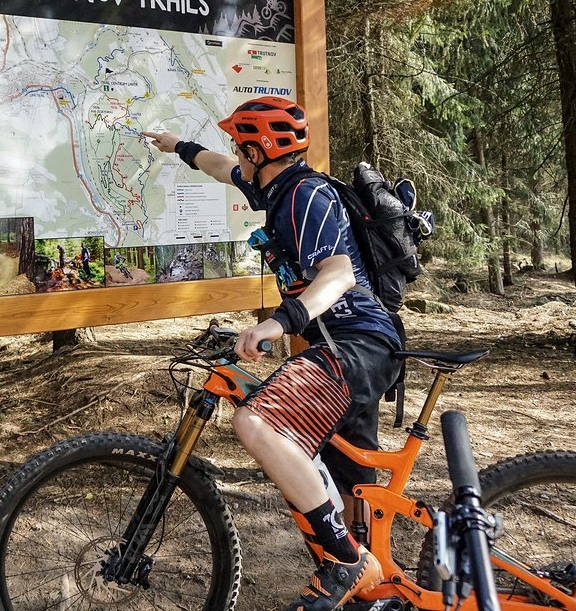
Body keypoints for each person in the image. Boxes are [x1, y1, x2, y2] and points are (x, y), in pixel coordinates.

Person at [142, 97, 402, 611]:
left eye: (242, 147)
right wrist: (177, 146)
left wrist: (281, 322)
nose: (236, 156)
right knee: (348, 478)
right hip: (344, 344)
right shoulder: (275, 186)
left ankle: (343, 563)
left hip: (357, 342)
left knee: (257, 424)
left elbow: (339, 273)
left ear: (259, 152)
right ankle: (373, 591)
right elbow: (220, 168)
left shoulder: (307, 196)